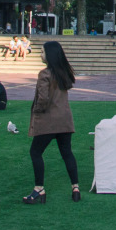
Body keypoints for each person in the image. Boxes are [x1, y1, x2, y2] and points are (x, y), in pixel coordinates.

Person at [22, 41, 80, 204]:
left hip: (48, 121)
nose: (40, 54)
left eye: (42, 51)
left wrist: (37, 110)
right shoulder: (64, 73)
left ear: (50, 55)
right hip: (65, 120)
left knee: (35, 152)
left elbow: (43, 98)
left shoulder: (45, 74)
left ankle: (39, 189)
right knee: (67, 152)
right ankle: (75, 188)